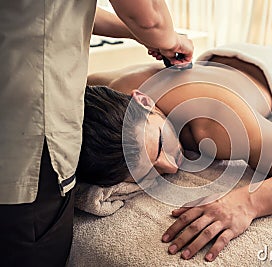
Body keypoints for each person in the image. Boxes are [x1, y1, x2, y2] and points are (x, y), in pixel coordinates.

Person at [79, 56, 272, 262]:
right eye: (147, 175)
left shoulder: (213, 123)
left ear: (143, 101)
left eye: (161, 144)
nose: (172, 166)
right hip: (215, 64)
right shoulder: (91, 91)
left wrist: (247, 203)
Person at [0, 1, 193, 265]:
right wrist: (171, 39)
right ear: (142, 101)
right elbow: (150, 18)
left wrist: (137, 33)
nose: (170, 168)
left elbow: (67, 10)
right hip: (26, 130)